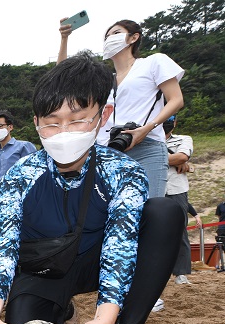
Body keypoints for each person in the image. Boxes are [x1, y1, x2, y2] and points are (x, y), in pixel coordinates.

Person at [0, 52, 184, 324]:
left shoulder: (123, 170)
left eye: (78, 120)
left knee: (164, 213)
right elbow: (4, 248)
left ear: (103, 116)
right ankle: (63, 308)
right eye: (51, 123)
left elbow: (121, 248)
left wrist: (104, 322)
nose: (64, 132)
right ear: (36, 122)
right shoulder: (20, 175)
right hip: (44, 267)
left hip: (97, 260)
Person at [58, 19, 184, 199]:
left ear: (134, 37)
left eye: (116, 33)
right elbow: (61, 77)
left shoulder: (153, 62)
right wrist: (64, 38)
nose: (110, 38)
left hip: (147, 146)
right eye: (107, 36)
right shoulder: (102, 80)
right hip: (110, 149)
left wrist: (147, 128)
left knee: (150, 210)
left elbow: (176, 100)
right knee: (110, 213)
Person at [0, 110, 37, 218]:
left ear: (10, 127)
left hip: (23, 197)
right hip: (2, 200)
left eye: (0, 126)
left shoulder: (24, 146)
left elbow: (35, 172)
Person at [164, 115, 194, 286]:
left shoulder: (184, 139)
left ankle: (181, 274)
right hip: (154, 188)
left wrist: (155, 158)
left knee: (180, 231)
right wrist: (174, 161)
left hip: (176, 190)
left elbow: (182, 157)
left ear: (175, 123)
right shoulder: (147, 140)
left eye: (170, 119)